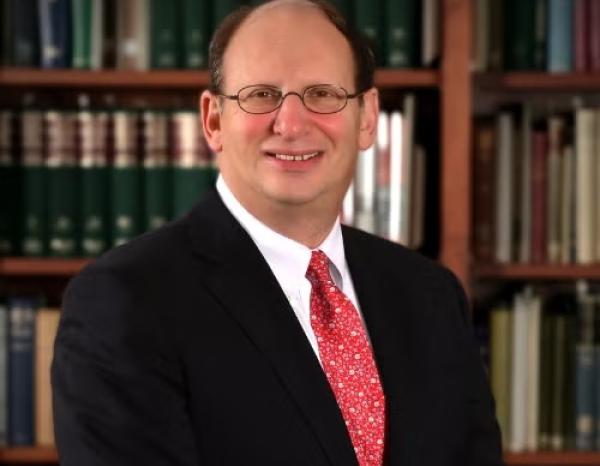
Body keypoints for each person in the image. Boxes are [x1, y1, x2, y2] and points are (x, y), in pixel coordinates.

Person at [52, 1, 504, 465]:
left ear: (367, 117)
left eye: (323, 93)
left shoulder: (430, 294)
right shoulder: (124, 303)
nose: (290, 124)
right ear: (213, 120)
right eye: (261, 94)